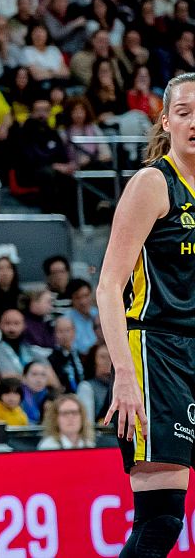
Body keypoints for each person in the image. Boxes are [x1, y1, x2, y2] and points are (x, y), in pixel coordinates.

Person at [97, 72, 195, 558]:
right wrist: (124, 374)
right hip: (156, 352)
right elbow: (109, 285)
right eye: (184, 112)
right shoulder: (153, 183)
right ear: (167, 120)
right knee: (161, 522)